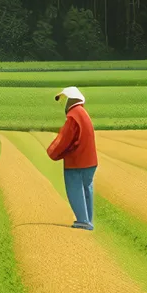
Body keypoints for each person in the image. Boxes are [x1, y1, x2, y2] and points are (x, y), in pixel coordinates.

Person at [46, 85, 97, 230]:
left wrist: (52, 152)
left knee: (75, 188)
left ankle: (83, 221)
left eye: (64, 100)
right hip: (90, 161)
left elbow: (64, 139)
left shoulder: (73, 117)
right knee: (87, 188)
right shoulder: (83, 113)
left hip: (77, 162)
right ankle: (87, 219)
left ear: (70, 99)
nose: (64, 104)